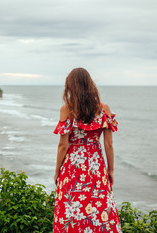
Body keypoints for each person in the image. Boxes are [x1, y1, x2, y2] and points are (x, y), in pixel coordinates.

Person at [53, 68, 122, 232]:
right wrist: (110, 170)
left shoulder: (67, 109)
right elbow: (108, 145)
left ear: (70, 87)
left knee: (71, 209)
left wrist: (57, 170)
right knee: (99, 209)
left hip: (72, 167)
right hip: (96, 166)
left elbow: (63, 145)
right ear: (90, 85)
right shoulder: (103, 109)